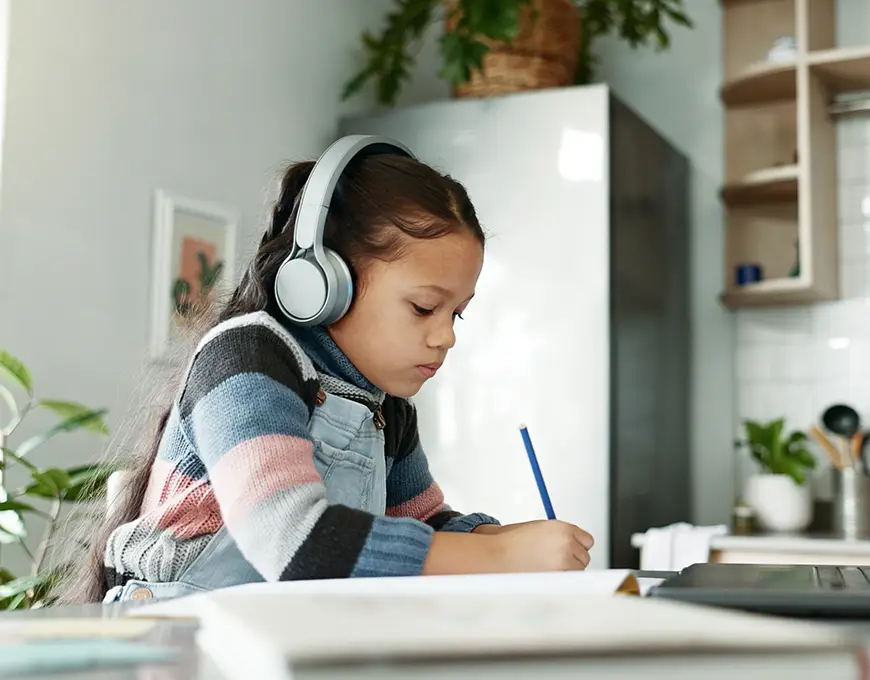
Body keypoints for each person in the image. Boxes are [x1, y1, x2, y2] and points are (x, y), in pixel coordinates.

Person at [55, 138, 594, 604]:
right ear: (323, 282)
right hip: (176, 640)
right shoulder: (246, 360)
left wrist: (500, 539)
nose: (446, 336)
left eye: (457, 314)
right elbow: (292, 541)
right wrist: (498, 556)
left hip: (281, 630)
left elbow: (424, 526)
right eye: (424, 307)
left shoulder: (387, 407)